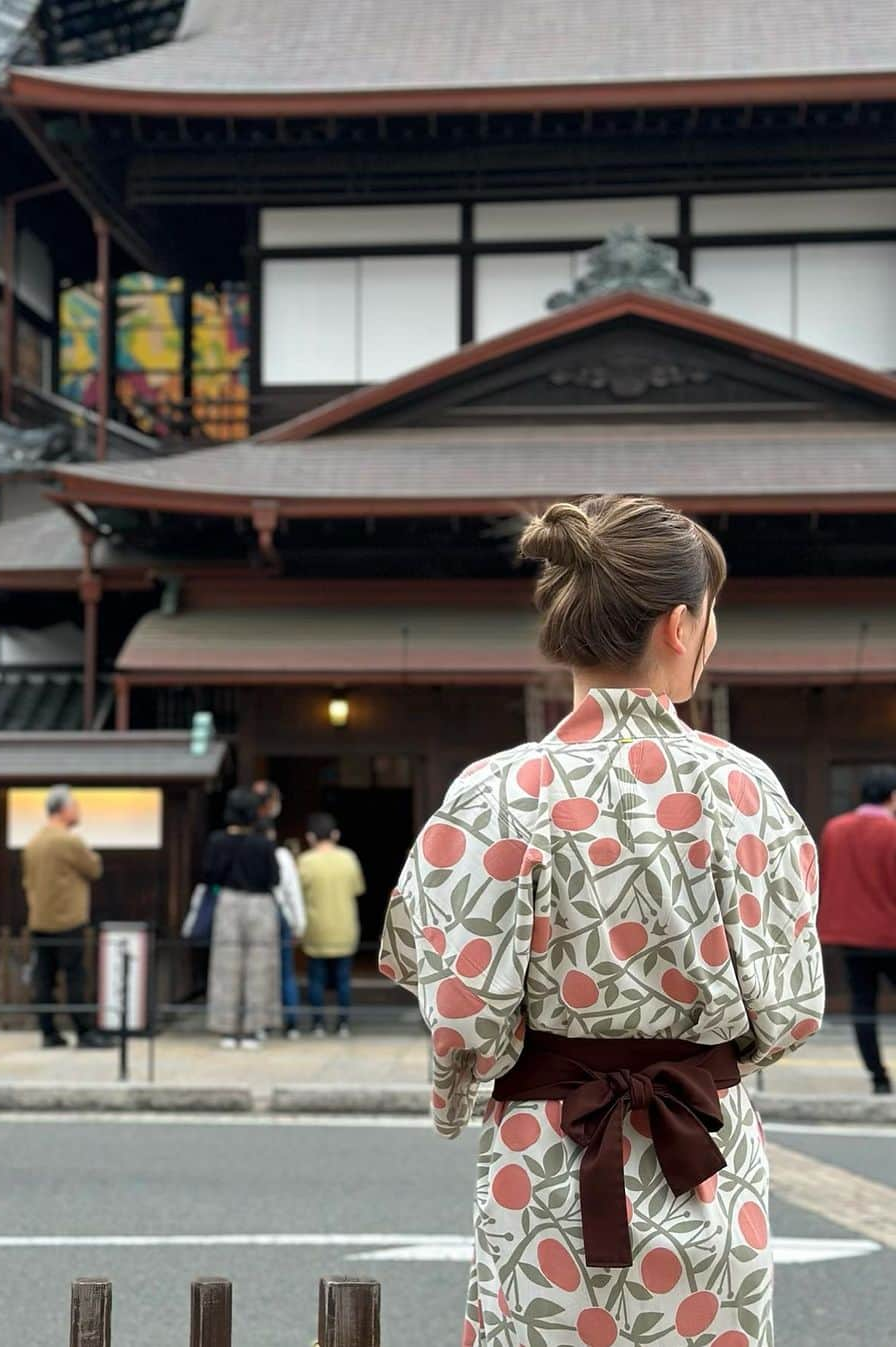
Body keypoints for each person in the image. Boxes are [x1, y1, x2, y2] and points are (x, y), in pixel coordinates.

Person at [380, 495, 825, 1346]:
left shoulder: (496, 792)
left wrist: (465, 1085)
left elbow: (461, 1008)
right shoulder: (746, 790)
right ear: (681, 624)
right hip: (705, 1147)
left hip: (546, 1155)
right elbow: (791, 1008)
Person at [819, 766, 896, 1094]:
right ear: (892, 796)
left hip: (849, 934)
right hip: (890, 933)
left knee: (863, 1005)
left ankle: (877, 1077)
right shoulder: (892, 832)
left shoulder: (835, 829)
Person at [22, 784, 111, 1050]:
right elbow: (94, 868)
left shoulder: (33, 842)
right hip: (68, 919)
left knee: (44, 978)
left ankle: (48, 1031)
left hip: (39, 918)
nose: (78, 811)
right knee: (75, 977)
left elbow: (27, 881)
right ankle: (84, 1031)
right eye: (74, 806)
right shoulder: (69, 841)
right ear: (62, 810)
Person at [202, 787, 281, 1049]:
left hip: (228, 902)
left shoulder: (217, 841)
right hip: (260, 903)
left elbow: (210, 875)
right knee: (259, 966)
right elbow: (274, 879)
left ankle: (227, 1029)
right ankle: (254, 1028)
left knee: (226, 965)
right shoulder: (264, 843)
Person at [298, 813, 365, 1038]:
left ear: (310, 837)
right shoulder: (349, 858)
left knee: (316, 977)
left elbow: (298, 893)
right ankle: (344, 1024)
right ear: (335, 835)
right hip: (344, 926)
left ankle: (318, 1024)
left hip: (316, 927)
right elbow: (358, 888)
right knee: (343, 978)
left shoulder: (305, 861)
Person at [254, 780, 307, 1039]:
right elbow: (292, 893)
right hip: (280, 915)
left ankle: (261, 1024)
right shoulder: (282, 857)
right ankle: (291, 1023)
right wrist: (299, 923)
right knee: (285, 972)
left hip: (258, 916)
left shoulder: (250, 853)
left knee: (260, 972)